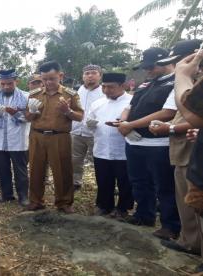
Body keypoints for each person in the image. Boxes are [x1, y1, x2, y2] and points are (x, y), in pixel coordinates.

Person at [117, 47, 180, 240]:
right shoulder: (146, 84)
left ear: (166, 62)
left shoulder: (176, 82)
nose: (148, 70)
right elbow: (130, 106)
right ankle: (144, 215)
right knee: (138, 181)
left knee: (164, 186)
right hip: (135, 141)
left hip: (158, 144)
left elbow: (167, 112)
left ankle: (170, 225)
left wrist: (130, 125)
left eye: (151, 67)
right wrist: (122, 123)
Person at [149, 40, 203, 255]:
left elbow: (193, 115)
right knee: (188, 201)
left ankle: (193, 243)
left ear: (193, 57)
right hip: (186, 146)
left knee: (194, 201)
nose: (176, 66)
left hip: (191, 152)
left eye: (178, 60)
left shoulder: (189, 81)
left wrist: (182, 76)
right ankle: (191, 242)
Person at [26, 61, 84, 213]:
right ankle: (35, 201)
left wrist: (67, 111)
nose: (48, 82)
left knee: (63, 170)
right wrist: (32, 111)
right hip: (37, 136)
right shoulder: (34, 94)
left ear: (61, 76)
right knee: (35, 170)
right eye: (44, 79)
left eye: (52, 78)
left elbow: (79, 117)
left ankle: (64, 202)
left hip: (59, 137)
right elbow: (27, 117)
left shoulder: (70, 94)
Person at [86, 73, 133, 217]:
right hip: (101, 148)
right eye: (104, 87)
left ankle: (123, 208)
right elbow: (89, 121)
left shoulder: (132, 102)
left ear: (122, 86)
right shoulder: (98, 103)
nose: (106, 90)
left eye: (110, 87)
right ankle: (104, 205)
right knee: (104, 179)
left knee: (125, 181)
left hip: (123, 149)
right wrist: (90, 124)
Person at [0, 69, 29, 206]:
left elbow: (28, 118)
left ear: (16, 81)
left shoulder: (26, 96)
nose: (6, 87)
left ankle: (23, 197)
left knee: (20, 170)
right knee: (2, 170)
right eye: (3, 84)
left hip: (18, 140)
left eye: (9, 83)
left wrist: (15, 113)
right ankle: (6, 195)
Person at [71, 64, 104, 191]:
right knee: (75, 159)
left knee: (99, 160)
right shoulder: (76, 92)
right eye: (87, 73)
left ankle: (104, 183)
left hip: (95, 132)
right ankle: (75, 181)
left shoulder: (104, 92)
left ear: (99, 76)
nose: (90, 76)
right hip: (76, 131)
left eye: (94, 73)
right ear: (82, 76)